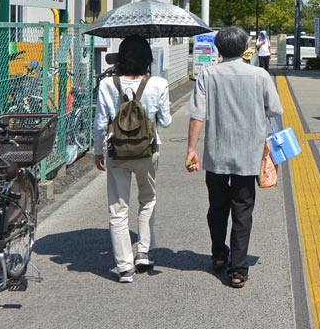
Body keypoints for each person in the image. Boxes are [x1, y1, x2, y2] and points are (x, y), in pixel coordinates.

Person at [186, 26, 283, 288]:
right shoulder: (259, 75)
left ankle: (219, 255)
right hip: (248, 153)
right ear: (244, 48)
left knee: (217, 207)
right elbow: (275, 109)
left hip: (216, 153)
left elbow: (198, 115)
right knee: (243, 210)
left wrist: (191, 149)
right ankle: (238, 269)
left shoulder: (208, 75)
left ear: (218, 48)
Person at [93, 36, 171, 283]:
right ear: (148, 58)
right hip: (148, 151)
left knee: (118, 208)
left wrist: (97, 151)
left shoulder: (107, 84)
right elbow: (167, 121)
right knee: (147, 199)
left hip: (117, 152)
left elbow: (99, 124)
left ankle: (125, 267)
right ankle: (143, 253)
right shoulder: (158, 83)